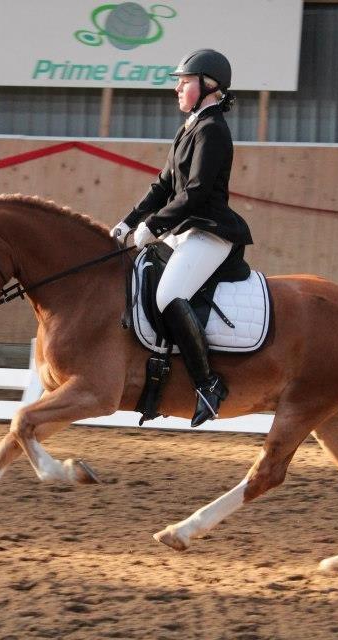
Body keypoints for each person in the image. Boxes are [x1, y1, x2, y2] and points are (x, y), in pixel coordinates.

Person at [110, 48, 253, 428]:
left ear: (209, 86)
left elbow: (196, 194)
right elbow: (163, 185)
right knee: (139, 281)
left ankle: (208, 385)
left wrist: (152, 227)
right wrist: (128, 221)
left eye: (184, 81)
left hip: (209, 232)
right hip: (183, 232)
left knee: (168, 295)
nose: (177, 88)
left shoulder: (213, 131)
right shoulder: (190, 126)